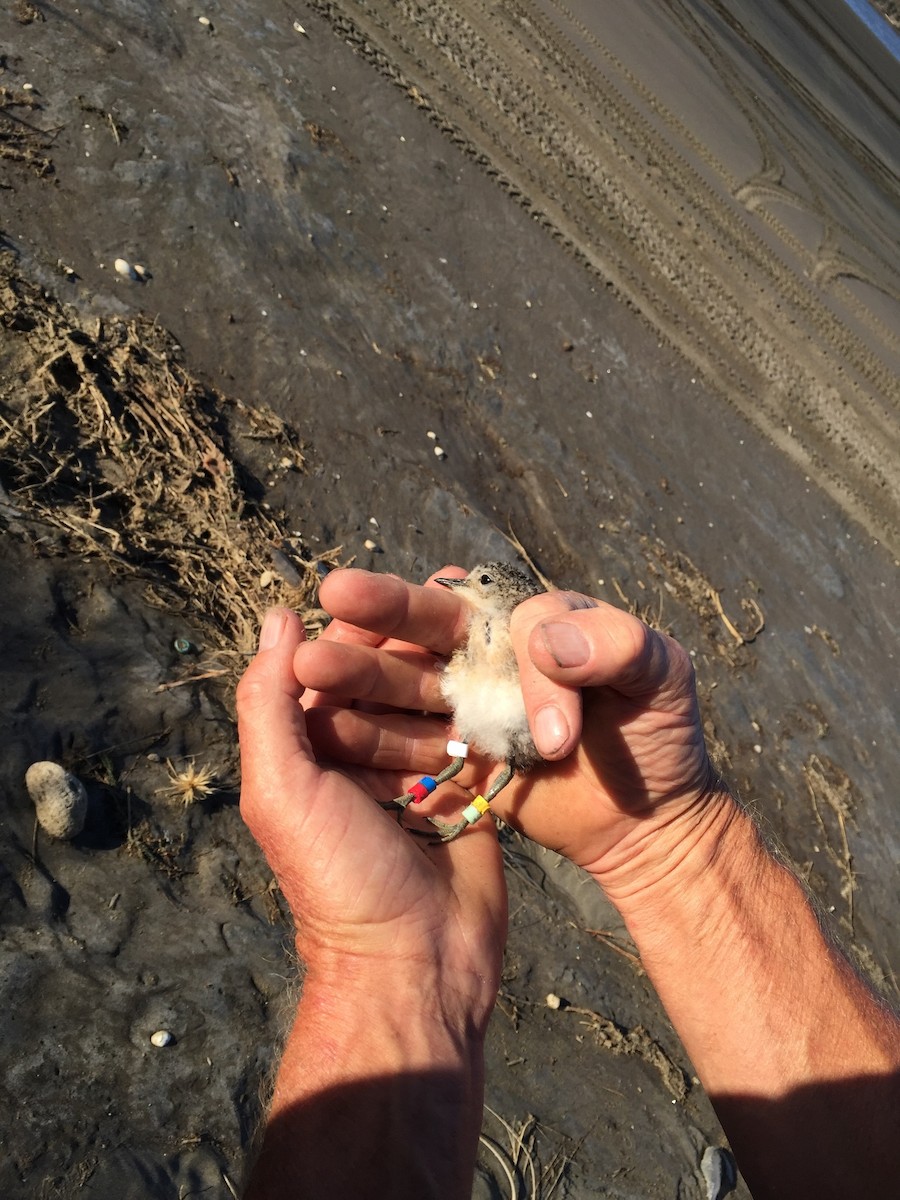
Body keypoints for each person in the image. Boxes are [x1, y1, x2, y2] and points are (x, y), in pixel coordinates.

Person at [236, 566, 900, 1199]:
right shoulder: (468, 653)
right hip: (466, 747)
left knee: (484, 757)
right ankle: (438, 795)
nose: (468, 588)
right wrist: (388, 959)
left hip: (519, 766)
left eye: (483, 584)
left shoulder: (516, 644)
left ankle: (463, 810)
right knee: (465, 746)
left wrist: (670, 836)